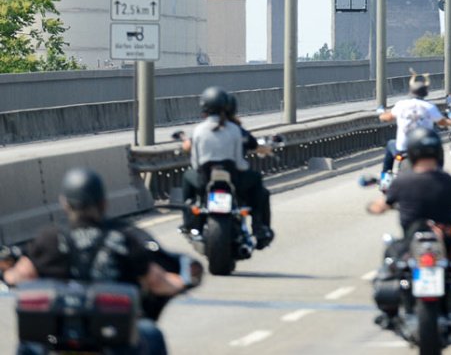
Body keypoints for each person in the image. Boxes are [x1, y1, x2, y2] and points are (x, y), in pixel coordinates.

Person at [3, 168, 199, 355]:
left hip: (58, 336)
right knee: (152, 334)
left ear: (65, 204)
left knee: (28, 343)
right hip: (113, 336)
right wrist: (183, 281)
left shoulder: (50, 238)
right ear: (103, 203)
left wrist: (6, 272)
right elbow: (157, 281)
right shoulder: (123, 238)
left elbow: (20, 275)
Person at [366, 128, 451, 332]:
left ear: (412, 153)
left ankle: (389, 314)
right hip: (446, 242)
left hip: (411, 241)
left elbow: (380, 206)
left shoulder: (402, 181)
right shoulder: (448, 180)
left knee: (389, 260)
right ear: (438, 154)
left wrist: (372, 206)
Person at [181, 86, 273, 247]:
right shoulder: (235, 130)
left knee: (187, 177)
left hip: (204, 180)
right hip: (234, 180)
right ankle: (259, 226)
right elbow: (239, 162)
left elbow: (195, 162)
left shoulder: (198, 130)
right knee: (257, 180)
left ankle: (189, 222)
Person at [377, 72, 447, 177]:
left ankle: (384, 176)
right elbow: (442, 122)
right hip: (425, 148)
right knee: (439, 149)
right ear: (426, 92)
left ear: (410, 91)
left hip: (403, 149)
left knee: (390, 144)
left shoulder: (401, 105)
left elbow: (387, 117)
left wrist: (381, 113)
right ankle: (439, 174)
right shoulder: (429, 106)